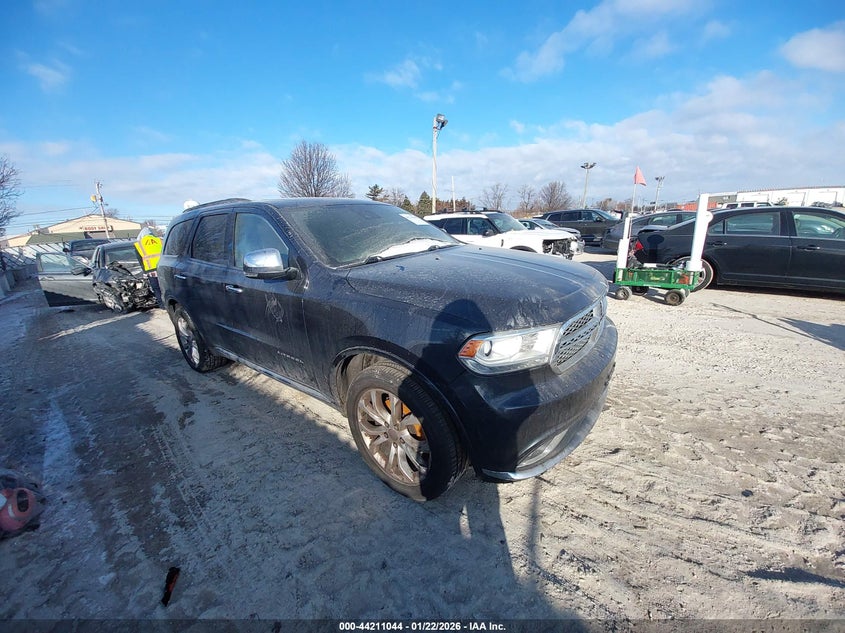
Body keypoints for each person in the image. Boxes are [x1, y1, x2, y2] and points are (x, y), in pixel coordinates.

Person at [135, 227, 163, 306]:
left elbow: (140, 260)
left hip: (150, 270)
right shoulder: (160, 240)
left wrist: (144, 272)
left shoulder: (139, 244)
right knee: (165, 286)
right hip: (162, 267)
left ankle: (162, 304)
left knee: (156, 288)